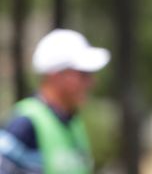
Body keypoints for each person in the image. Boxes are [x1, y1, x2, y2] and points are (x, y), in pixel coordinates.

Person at [0, 29, 110, 174]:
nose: (91, 83)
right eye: (83, 74)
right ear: (57, 75)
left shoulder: (73, 124)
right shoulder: (24, 125)